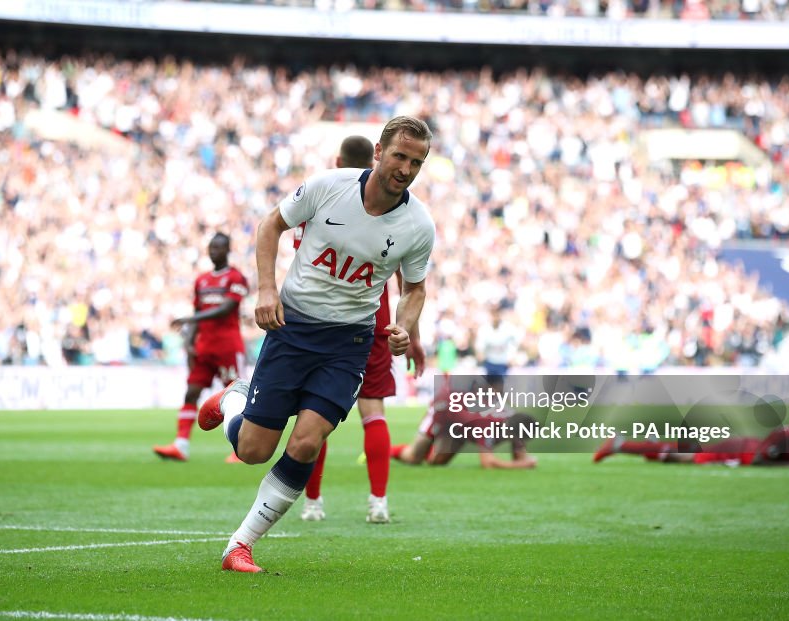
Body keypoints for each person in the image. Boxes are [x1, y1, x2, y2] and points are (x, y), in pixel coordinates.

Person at [197, 116, 436, 573]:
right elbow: (270, 226)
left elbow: (416, 288)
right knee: (252, 451)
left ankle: (239, 546)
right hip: (294, 329)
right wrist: (267, 291)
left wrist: (406, 324)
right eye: (400, 156)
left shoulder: (418, 225)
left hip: (349, 342)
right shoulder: (329, 186)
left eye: (416, 162)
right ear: (378, 154)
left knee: (308, 441)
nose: (405, 169)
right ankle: (233, 400)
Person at [296, 135, 426, 525]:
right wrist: (411, 335)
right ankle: (378, 502)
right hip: (377, 322)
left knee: (314, 414)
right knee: (374, 412)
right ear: (374, 160)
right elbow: (409, 281)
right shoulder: (395, 212)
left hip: (322, 323)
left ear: (337, 160)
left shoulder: (319, 201)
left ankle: (313, 503)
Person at [153, 233, 248, 462]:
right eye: (211, 247)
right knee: (191, 391)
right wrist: (189, 341)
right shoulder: (202, 280)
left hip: (227, 345)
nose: (214, 251)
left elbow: (225, 309)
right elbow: (198, 314)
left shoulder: (236, 278)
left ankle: (241, 448)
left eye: (219, 247)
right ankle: (181, 445)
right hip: (204, 347)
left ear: (228, 250)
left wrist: (189, 320)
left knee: (237, 395)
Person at [391, 375, 538, 470]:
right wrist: (520, 465)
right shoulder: (489, 426)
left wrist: (522, 460)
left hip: (461, 423)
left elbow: (520, 454)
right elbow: (488, 463)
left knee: (437, 463)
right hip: (443, 407)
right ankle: (382, 451)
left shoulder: (515, 422)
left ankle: (430, 450)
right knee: (413, 457)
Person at [592, 424, 789, 467]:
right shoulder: (784, 443)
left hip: (746, 444)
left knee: (684, 452)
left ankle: (648, 448)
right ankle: (622, 445)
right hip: (741, 450)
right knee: (685, 456)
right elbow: (761, 459)